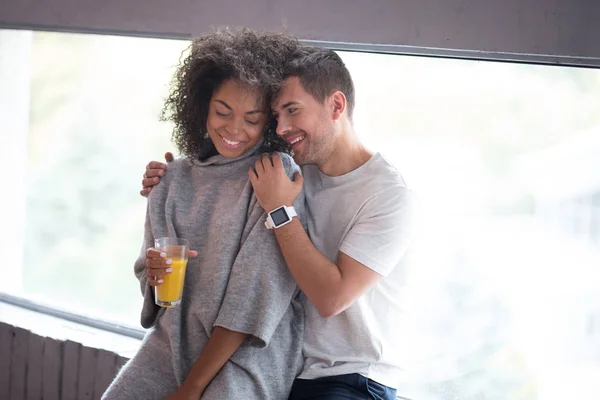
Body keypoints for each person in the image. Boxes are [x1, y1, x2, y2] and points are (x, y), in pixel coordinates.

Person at [142, 46, 418, 400]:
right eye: (276, 115)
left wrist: (279, 211)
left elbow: (331, 298)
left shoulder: (389, 196)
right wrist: (170, 177)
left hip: (352, 378)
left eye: (293, 111)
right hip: (290, 368)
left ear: (336, 106)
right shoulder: (293, 169)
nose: (282, 128)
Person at [104, 29, 306, 400]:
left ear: (270, 120)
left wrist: (193, 388)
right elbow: (153, 290)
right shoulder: (171, 180)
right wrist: (151, 276)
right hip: (173, 343)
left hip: (245, 355)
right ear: (202, 106)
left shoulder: (275, 174)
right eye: (222, 112)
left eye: (252, 118)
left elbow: (253, 302)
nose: (233, 129)